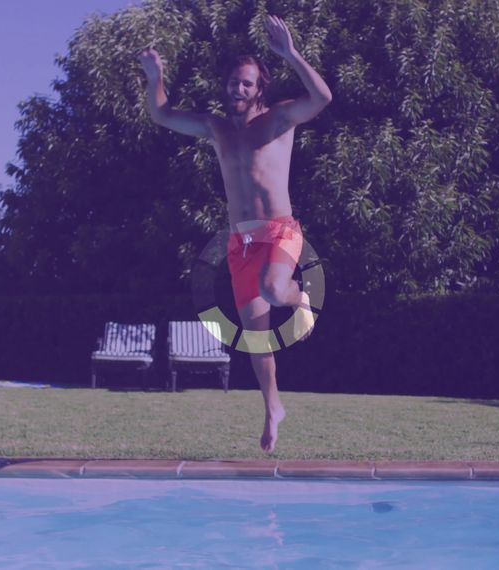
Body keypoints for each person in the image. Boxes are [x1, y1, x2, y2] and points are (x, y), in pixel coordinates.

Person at [138, 14, 332, 453]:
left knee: (272, 286)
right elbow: (162, 114)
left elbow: (322, 97)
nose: (237, 89)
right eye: (232, 82)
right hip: (240, 243)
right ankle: (272, 407)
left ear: (259, 88)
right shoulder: (217, 128)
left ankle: (298, 296)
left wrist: (291, 54)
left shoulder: (280, 119)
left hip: (280, 233)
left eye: (246, 84)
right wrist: (156, 76)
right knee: (256, 336)